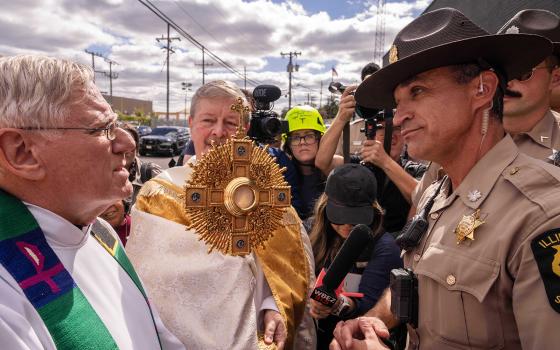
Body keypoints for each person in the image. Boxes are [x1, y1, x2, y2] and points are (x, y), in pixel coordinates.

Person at [331, 7, 560, 350]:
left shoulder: (541, 215)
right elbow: (418, 282)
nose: (401, 115)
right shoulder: (435, 194)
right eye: (398, 101)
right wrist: (373, 322)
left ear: (482, 89)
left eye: (418, 91)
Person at [0, 55, 183, 349]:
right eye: (102, 129)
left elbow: (154, 334)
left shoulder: (99, 230)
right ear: (22, 152)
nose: (127, 143)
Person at [126, 80, 316, 350]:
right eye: (208, 120)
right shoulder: (158, 196)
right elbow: (150, 286)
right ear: (191, 124)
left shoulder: (270, 194)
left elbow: (290, 267)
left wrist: (274, 306)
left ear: (245, 130)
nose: (219, 132)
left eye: (230, 122)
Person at [410, 8, 560, 214]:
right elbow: (421, 209)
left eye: (524, 71)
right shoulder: (460, 132)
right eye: (501, 70)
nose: (508, 80)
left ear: (555, 78)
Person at [316, 65, 426, 237]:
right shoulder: (359, 166)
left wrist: (386, 162)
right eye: (383, 128)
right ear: (371, 132)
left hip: (395, 246)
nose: (394, 136)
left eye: (399, 129)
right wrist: (341, 116)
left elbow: (424, 198)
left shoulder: (415, 170)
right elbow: (322, 162)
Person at [309, 164, 402, 349]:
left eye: (356, 217)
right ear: (325, 207)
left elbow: (370, 307)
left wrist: (337, 304)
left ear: (372, 210)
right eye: (340, 215)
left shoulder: (385, 248)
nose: (346, 225)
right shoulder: (311, 232)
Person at [282, 105, 331, 222]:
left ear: (320, 138)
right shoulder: (282, 175)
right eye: (295, 137)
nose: (302, 143)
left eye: (309, 136)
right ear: (288, 144)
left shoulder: (333, 169)